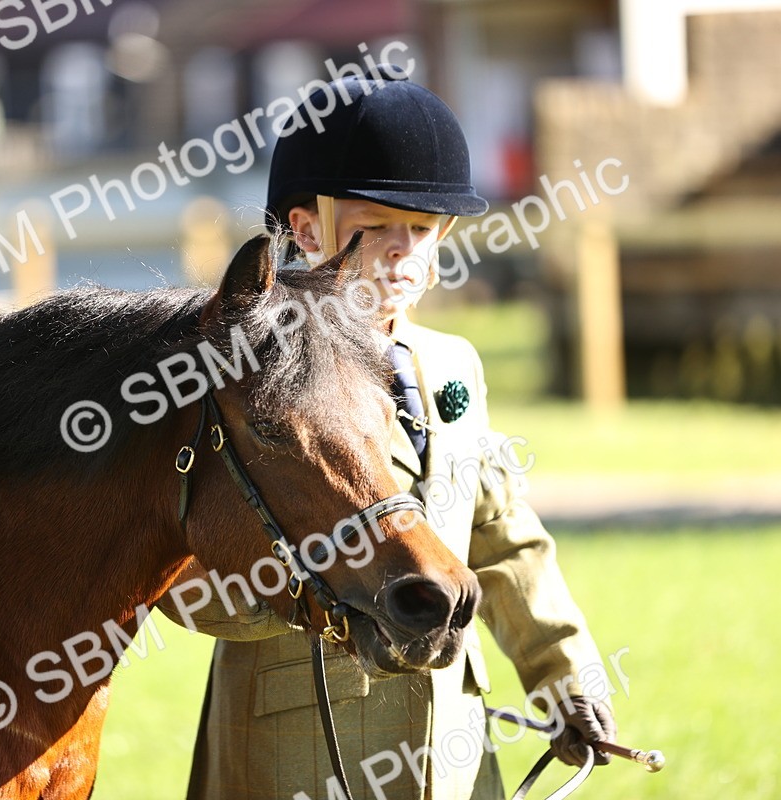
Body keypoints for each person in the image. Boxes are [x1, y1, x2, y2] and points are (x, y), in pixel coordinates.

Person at [158, 65, 616, 799]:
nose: (407, 252)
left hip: (452, 742)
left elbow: (501, 536)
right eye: (376, 230)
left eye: (425, 230)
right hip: (298, 737)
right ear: (306, 229)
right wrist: (313, 598)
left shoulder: (450, 363)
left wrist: (565, 676)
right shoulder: (251, 373)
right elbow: (179, 569)